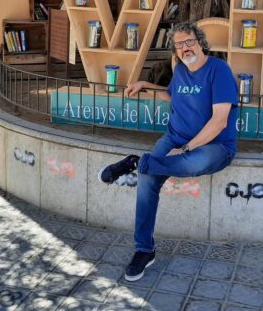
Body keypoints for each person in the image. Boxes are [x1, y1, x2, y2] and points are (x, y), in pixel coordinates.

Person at [98, 21, 239, 281]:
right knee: (148, 180)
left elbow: (219, 120)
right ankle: (144, 249)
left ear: (200, 42)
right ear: (175, 50)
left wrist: (186, 148)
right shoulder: (181, 69)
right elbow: (174, 95)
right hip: (174, 137)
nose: (185, 48)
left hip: (215, 146)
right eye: (179, 44)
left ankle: (137, 162)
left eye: (189, 42)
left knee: (191, 164)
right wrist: (144, 84)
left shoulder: (219, 70)